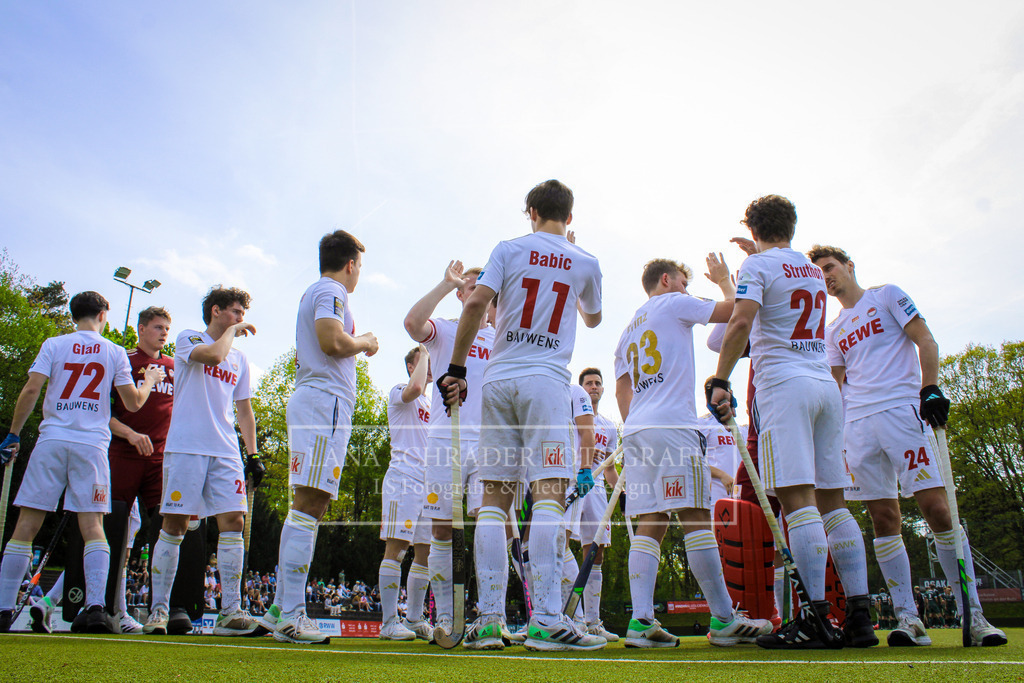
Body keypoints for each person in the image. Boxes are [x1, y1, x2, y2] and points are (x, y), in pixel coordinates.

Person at [808, 244, 1007, 647]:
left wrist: (929, 388)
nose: (827, 276)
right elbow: (834, 384)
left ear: (849, 265)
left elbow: (925, 340)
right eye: (820, 273)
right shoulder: (834, 330)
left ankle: (975, 615)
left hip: (902, 411)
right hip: (858, 426)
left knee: (937, 510)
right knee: (883, 518)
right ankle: (908, 618)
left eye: (830, 267)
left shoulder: (886, 295)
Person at [437, 179, 606, 651]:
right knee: (549, 495)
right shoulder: (586, 260)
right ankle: (547, 619)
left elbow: (475, 302)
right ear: (569, 217)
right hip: (547, 382)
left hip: (498, 379)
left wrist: (455, 368)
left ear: (530, 211)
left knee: (495, 499)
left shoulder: (508, 248)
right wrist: (569, 273)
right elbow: (593, 318)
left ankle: (490, 620)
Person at [709, 195, 876, 649]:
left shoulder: (758, 268)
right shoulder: (811, 270)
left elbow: (742, 320)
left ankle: (815, 619)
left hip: (784, 387)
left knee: (798, 501)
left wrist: (720, 378)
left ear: (753, 227)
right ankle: (859, 615)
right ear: (793, 225)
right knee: (834, 503)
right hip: (825, 386)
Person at [614, 256, 772, 648]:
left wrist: (639, 426)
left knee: (651, 522)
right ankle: (723, 619)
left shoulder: (625, 331)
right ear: (666, 280)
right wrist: (723, 282)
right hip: (673, 424)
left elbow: (621, 390)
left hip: (637, 427)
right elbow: (737, 312)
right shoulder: (674, 302)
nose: (686, 287)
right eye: (683, 281)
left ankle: (641, 621)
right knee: (697, 517)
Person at [0, 291, 164, 633]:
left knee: (26, 526)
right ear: (104, 315)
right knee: (93, 528)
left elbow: (31, 390)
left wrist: (14, 434)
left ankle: (2, 609)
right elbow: (132, 404)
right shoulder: (114, 351)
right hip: (90, 445)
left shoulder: (54, 344)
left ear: (74, 314)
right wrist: (148, 381)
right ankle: (95, 609)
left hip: (53, 440)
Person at [260, 230, 378, 645]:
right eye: (360, 266)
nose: (359, 274)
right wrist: (366, 342)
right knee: (311, 501)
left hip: (320, 402)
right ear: (350, 265)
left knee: (310, 501)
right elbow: (332, 342)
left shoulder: (318, 291)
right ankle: (291, 614)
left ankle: (280, 605)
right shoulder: (331, 291)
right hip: (324, 402)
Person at [143, 286, 262, 637]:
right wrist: (231, 332)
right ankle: (159, 610)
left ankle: (230, 613)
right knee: (176, 524)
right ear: (216, 310)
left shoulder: (239, 359)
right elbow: (210, 356)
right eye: (235, 311)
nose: (241, 318)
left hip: (225, 449)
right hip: (187, 446)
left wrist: (252, 454)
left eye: (242, 313)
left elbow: (244, 409)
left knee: (234, 522)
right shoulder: (187, 338)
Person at [404, 260, 495, 644]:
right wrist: (444, 283)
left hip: (491, 442)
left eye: (483, 287)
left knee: (493, 524)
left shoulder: (503, 337)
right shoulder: (444, 329)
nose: (475, 292)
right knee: (441, 528)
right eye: (468, 287)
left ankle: (492, 616)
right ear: (460, 295)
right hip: (447, 440)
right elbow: (411, 324)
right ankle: (445, 616)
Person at [106, 306, 179, 634]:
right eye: (157, 327)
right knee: (115, 534)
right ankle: (113, 609)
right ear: (141, 329)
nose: (164, 333)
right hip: (123, 453)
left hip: (159, 460)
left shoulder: (174, 368)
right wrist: (130, 434)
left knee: (166, 526)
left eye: (167, 328)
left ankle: (160, 609)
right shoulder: (123, 360)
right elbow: (97, 412)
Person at [378, 345, 433, 641]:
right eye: (425, 361)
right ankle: (388, 622)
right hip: (404, 477)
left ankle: (413, 618)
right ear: (412, 366)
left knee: (425, 552)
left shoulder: (432, 405)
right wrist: (424, 350)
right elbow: (414, 387)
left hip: (427, 483)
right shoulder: (401, 391)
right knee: (397, 547)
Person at [575, 368, 620, 641]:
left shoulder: (609, 426)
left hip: (597, 490)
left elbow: (611, 468)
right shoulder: (572, 416)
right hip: (572, 482)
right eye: (589, 383)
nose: (594, 387)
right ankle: (562, 616)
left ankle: (591, 621)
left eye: (598, 383)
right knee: (559, 545)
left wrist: (622, 491)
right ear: (581, 389)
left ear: (603, 390)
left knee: (595, 553)